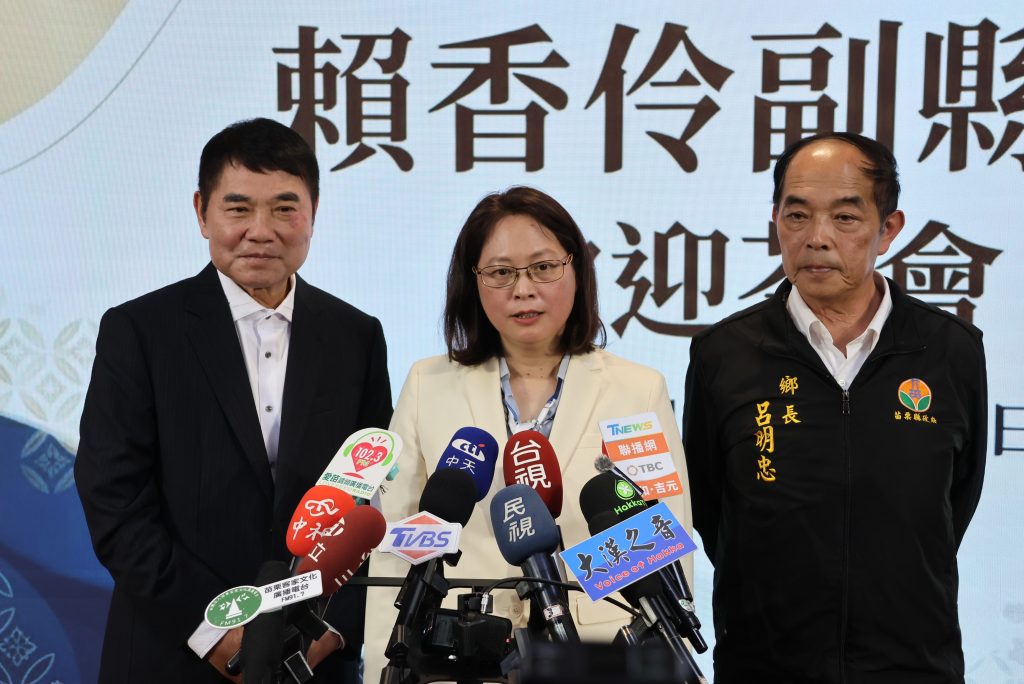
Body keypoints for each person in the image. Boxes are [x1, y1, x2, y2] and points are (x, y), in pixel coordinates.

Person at [75, 118, 392, 683]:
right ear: (202, 212)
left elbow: (373, 499)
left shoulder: (356, 336)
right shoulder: (140, 331)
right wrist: (216, 631)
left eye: (285, 208)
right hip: (173, 652)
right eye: (238, 208)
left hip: (312, 661)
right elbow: (113, 498)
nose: (261, 231)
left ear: (313, 213)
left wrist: (330, 631)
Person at [682, 132, 987, 683]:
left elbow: (951, 506)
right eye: (797, 216)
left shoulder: (950, 350)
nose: (816, 238)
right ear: (775, 220)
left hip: (913, 666)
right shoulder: (723, 354)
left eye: (845, 218)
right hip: (765, 666)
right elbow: (710, 510)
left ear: (888, 229)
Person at [363, 186, 693, 680]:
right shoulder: (427, 384)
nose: (523, 290)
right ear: (473, 281)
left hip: (596, 657)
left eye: (543, 267)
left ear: (576, 269)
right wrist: (385, 667)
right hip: (457, 657)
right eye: (501, 272)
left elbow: (664, 549)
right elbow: (395, 545)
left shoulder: (637, 390)